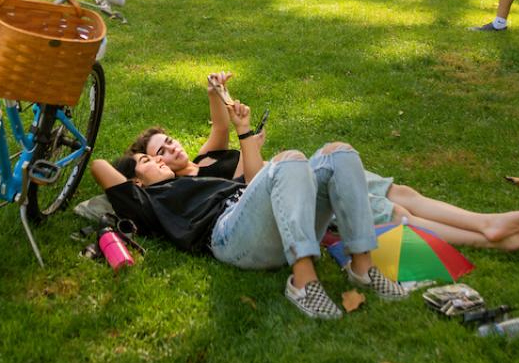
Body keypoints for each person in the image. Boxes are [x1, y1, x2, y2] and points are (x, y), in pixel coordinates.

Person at [125, 72, 519, 251]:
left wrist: (215, 88)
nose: (171, 150)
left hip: (303, 172)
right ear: (153, 167)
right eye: (160, 152)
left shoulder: (205, 157)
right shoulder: (192, 188)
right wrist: (248, 136)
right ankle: (488, 232)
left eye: (169, 141)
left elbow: (219, 123)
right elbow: (254, 181)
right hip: (295, 194)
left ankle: (482, 220)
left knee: (401, 192)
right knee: (394, 213)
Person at [92, 109, 407, 319]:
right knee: (289, 160)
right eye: (148, 162)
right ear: (135, 183)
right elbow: (99, 166)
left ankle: (363, 267)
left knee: (339, 153)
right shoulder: (147, 202)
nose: (159, 161)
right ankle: (303, 282)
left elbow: (237, 159)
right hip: (229, 235)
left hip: (265, 217)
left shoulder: (192, 178)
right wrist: (133, 169)